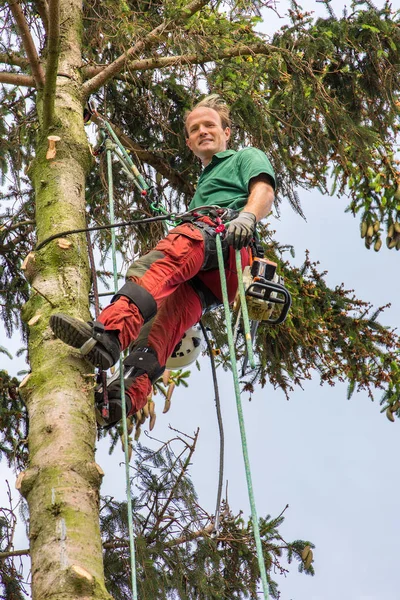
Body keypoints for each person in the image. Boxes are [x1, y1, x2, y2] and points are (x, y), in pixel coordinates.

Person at [50, 94, 276, 426]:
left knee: (156, 266)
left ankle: (110, 334)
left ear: (227, 132)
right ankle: (123, 398)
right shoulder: (205, 182)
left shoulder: (245, 156)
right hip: (210, 282)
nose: (203, 132)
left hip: (228, 241)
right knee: (160, 326)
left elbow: (264, 191)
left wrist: (247, 218)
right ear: (188, 141)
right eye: (195, 128)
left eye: (210, 125)